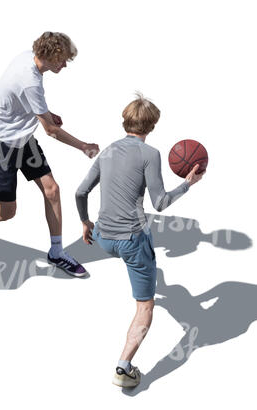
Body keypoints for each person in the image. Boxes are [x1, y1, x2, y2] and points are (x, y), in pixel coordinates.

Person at [75, 93, 204, 387]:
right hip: (131, 240)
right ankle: (123, 368)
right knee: (145, 307)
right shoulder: (150, 154)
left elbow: (80, 192)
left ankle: (141, 271)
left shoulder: (106, 151)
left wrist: (85, 222)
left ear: (125, 121)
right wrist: (187, 185)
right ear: (152, 126)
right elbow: (159, 204)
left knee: (144, 265)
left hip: (102, 238)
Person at [0, 32, 99, 277]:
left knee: (52, 190)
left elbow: (25, 102)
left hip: (22, 139)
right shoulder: (31, 80)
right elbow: (51, 131)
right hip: (0, 144)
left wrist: (45, 113)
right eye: (63, 60)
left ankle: (56, 252)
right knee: (8, 212)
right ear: (52, 56)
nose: (65, 65)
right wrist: (83, 146)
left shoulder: (29, 59)